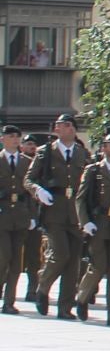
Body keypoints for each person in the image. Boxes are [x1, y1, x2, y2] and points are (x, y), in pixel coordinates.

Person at [26, 112, 89, 318]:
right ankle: (43, 286)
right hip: (54, 209)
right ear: (56, 129)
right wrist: (38, 191)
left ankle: (65, 307)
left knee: (74, 262)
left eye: (71, 125)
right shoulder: (45, 152)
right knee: (61, 254)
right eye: (64, 124)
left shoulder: (82, 153)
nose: (68, 128)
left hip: (76, 211)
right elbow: (28, 179)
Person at [75, 131, 110, 325]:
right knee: (98, 267)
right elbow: (81, 199)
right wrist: (85, 222)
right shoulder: (93, 170)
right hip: (98, 223)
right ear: (104, 148)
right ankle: (82, 297)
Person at [0, 124, 35, 314]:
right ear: (2, 139)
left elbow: (31, 191)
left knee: (15, 262)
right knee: (4, 256)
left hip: (21, 214)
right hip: (2, 214)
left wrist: (32, 216)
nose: (14, 139)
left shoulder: (27, 162)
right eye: (11, 136)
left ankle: (9, 302)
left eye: (17, 136)